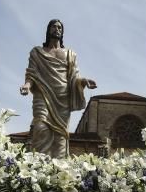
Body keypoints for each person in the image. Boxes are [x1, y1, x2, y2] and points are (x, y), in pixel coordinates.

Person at [20, 19, 97, 157]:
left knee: (61, 136)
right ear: (48, 30)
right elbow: (31, 73)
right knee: (40, 127)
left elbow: (74, 77)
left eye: (60, 27)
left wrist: (83, 81)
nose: (57, 29)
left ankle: (59, 172)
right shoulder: (37, 52)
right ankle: (38, 167)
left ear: (62, 33)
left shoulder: (70, 54)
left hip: (63, 99)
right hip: (42, 94)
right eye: (54, 27)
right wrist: (27, 85)